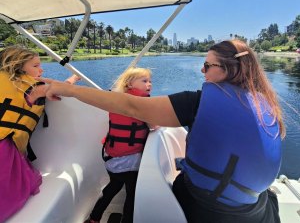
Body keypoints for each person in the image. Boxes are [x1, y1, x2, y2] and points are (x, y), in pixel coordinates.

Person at [42, 39, 284, 223]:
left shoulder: (197, 103)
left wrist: (69, 89)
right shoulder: (265, 103)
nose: (202, 71)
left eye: (207, 65)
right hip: (256, 206)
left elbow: (130, 105)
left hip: (208, 208)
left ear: (229, 69)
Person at [0, 46, 79, 222]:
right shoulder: (33, 87)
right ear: (19, 67)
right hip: (3, 149)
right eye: (36, 66)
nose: (41, 70)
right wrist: (74, 77)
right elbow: (59, 88)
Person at [85, 67, 153, 223]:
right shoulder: (141, 103)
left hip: (112, 158)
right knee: (131, 194)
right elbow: (154, 125)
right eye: (144, 81)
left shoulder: (116, 99)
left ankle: (94, 218)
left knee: (112, 188)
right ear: (129, 84)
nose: (149, 84)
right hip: (130, 162)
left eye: (150, 81)